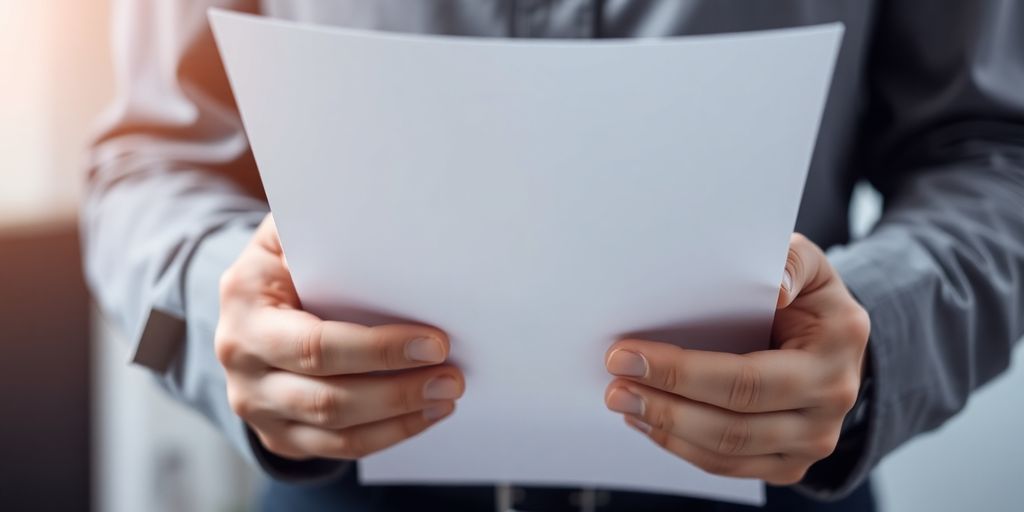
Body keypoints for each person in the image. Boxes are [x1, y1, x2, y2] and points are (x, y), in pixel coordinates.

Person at [81, 1, 1024, 511]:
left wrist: (875, 346)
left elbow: (992, 159)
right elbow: (143, 164)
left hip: (784, 489)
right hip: (342, 491)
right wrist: (215, 320)